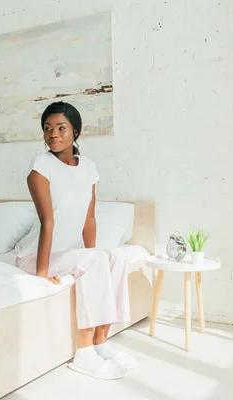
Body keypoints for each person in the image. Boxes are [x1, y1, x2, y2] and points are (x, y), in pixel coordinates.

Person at [15, 101, 138, 380]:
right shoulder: (40, 167)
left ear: (76, 131)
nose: (52, 134)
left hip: (67, 252)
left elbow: (88, 220)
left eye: (60, 128)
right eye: (47, 129)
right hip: (35, 256)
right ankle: (84, 354)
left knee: (116, 255)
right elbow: (48, 222)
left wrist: (91, 255)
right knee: (95, 259)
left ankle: (101, 340)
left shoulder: (89, 168)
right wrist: (42, 275)